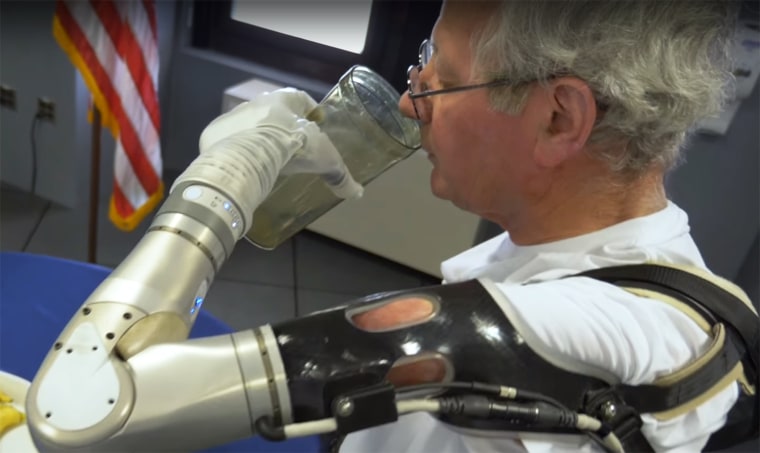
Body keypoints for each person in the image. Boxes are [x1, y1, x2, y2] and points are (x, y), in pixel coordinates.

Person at [188, 1, 753, 452]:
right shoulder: (650, 260)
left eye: (442, 80)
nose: (411, 105)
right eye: (423, 60)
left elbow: (128, 399)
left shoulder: (529, 385)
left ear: (559, 119)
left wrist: (218, 183)